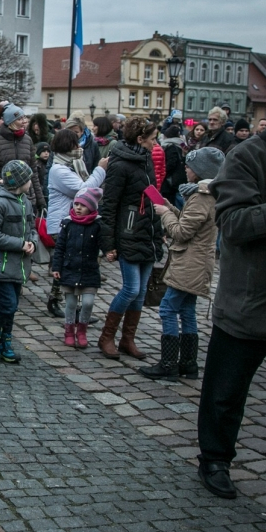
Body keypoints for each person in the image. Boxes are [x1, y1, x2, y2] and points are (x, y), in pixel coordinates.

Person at [195, 78, 266, 499]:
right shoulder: (248, 155)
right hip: (252, 296)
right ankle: (214, 457)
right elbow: (233, 224)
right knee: (226, 388)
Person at [139, 147, 222, 381]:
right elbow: (191, 223)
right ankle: (188, 364)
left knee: (167, 309)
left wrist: (165, 213)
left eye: (189, 165)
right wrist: (170, 207)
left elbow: (181, 232)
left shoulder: (201, 197)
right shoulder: (205, 194)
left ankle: (169, 364)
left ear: (200, 171)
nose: (185, 168)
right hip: (197, 263)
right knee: (187, 311)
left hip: (190, 263)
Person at [97, 117, 164, 360]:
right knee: (130, 288)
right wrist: (109, 244)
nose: (156, 143)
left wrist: (160, 231)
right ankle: (106, 337)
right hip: (128, 233)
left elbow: (152, 196)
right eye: (153, 138)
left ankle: (128, 339)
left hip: (147, 232)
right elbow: (109, 206)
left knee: (141, 290)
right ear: (140, 139)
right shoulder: (120, 163)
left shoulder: (146, 159)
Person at [46, 129, 108, 319]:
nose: (79, 148)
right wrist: (100, 169)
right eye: (75, 144)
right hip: (63, 223)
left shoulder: (72, 165)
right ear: (67, 146)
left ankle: (72, 303)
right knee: (67, 263)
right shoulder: (59, 170)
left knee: (74, 262)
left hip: (75, 221)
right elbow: (83, 190)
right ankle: (56, 301)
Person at [0, 160, 38, 363]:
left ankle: (5, 340)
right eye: (28, 178)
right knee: (8, 304)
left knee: (12, 307)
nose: (31, 181)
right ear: (20, 182)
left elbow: (32, 227)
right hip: (2, 266)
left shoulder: (25, 201)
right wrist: (20, 243)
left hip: (19, 266)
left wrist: (32, 243)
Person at [51, 188, 103, 349]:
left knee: (88, 302)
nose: (78, 208)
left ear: (92, 208)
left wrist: (109, 251)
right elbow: (60, 248)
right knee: (71, 303)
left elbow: (104, 243)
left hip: (89, 271)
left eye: (82, 205)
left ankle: (82, 330)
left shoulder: (97, 225)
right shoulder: (68, 224)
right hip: (70, 269)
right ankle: (68, 331)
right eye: (76, 204)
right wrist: (56, 267)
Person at [0, 105, 45, 214]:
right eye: (20, 119)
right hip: (5, 195)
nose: (24, 121)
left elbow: (33, 172)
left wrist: (40, 201)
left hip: (27, 197)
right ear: (10, 121)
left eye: (24, 118)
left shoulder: (28, 140)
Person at [158, 125, 187, 204]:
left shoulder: (169, 145)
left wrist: (164, 171)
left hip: (170, 179)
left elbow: (171, 163)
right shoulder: (182, 143)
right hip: (180, 176)